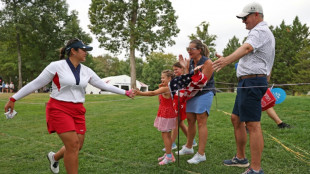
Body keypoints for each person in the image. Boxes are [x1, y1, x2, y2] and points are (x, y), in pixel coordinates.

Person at [4, 38, 134, 174]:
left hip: (78, 110)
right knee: (73, 145)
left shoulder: (87, 70)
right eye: (83, 50)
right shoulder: (55, 66)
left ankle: (54, 157)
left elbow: (103, 85)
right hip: (58, 109)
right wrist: (13, 98)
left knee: (78, 145)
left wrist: (125, 92)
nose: (86, 53)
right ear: (73, 51)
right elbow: (36, 83)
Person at [212, 2, 275, 174]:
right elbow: (254, 59)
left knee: (253, 125)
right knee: (236, 118)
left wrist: (226, 61)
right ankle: (241, 158)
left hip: (252, 83)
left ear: (256, 15)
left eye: (245, 17)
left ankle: (255, 169)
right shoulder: (260, 32)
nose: (243, 21)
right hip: (248, 82)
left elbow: (247, 48)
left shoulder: (260, 30)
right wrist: (227, 58)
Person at [175, 39, 215, 164]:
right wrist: (185, 68)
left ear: (199, 50)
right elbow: (188, 79)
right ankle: (188, 147)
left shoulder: (207, 62)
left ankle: (201, 154)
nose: (189, 51)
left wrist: (195, 74)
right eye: (188, 49)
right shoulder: (191, 62)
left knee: (201, 122)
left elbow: (202, 83)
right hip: (193, 94)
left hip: (204, 93)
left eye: (191, 49)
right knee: (190, 120)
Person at [134, 70, 177, 165]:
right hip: (166, 113)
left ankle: (169, 156)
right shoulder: (168, 87)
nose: (161, 79)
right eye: (161, 77)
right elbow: (160, 100)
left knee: (166, 135)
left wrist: (139, 93)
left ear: (169, 78)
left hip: (166, 114)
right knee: (166, 134)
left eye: (163, 78)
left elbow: (152, 93)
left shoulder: (166, 88)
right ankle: (168, 154)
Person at [162, 62, 197, 152]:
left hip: (182, 103)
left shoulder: (184, 78)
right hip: (178, 103)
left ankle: (172, 143)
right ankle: (192, 141)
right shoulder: (176, 80)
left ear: (182, 69)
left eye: (176, 69)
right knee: (180, 123)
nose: (175, 71)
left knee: (176, 123)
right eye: (174, 70)